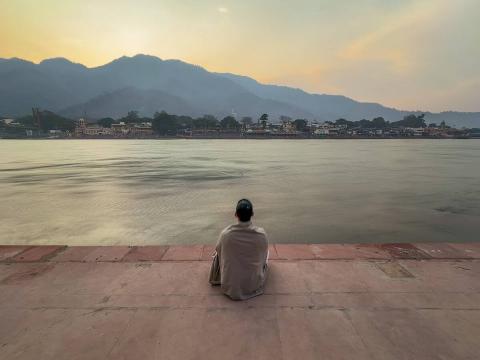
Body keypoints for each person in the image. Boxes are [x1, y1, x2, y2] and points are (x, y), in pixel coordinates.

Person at [209, 199, 269, 300]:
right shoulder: (261, 235)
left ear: (236, 214)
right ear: (252, 214)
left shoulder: (226, 235)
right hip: (253, 285)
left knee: (219, 253)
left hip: (229, 286)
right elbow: (263, 257)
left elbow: (219, 252)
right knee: (266, 254)